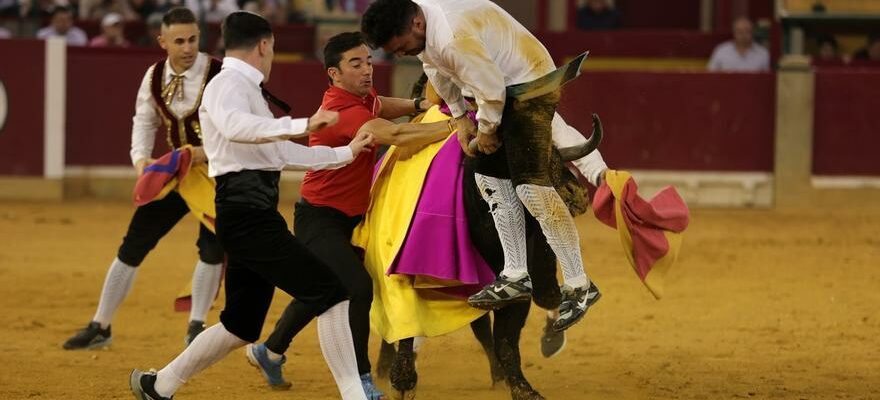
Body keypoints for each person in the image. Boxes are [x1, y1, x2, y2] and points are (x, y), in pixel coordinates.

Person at [130, 11, 373, 400]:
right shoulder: (227, 84)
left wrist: (344, 153)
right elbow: (235, 127)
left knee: (241, 325)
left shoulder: (241, 89)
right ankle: (354, 395)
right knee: (332, 291)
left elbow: (274, 151)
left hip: (248, 216)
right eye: (272, 48)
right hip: (247, 217)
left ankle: (159, 384)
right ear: (264, 45)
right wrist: (301, 124)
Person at [361, 0, 608, 333]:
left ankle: (580, 284)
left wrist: (487, 131)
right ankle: (516, 273)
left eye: (402, 46)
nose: (403, 53)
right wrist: (461, 119)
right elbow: (435, 69)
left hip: (530, 85)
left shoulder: (450, 37)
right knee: (488, 179)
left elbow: (491, 90)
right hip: (498, 89)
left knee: (532, 188)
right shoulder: (421, 28)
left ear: (416, 24)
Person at [244, 31, 452, 398]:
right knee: (356, 288)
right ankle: (361, 380)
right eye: (355, 64)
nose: (367, 69)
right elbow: (399, 136)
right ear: (333, 74)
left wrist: (419, 104)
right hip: (319, 219)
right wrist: (456, 124)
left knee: (320, 287)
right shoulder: (344, 113)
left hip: (352, 218)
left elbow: (381, 104)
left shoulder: (359, 98)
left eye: (369, 61)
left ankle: (269, 351)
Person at [63, 7, 224, 351]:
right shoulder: (153, 76)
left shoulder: (219, 73)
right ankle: (101, 325)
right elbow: (144, 121)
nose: (187, 47)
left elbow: (235, 129)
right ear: (162, 41)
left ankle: (196, 326)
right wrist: (140, 161)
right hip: (177, 175)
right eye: (179, 40)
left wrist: (203, 152)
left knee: (211, 249)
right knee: (133, 244)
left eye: (193, 39)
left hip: (216, 175)